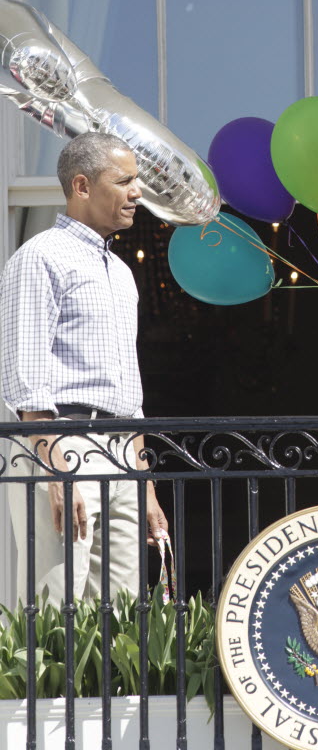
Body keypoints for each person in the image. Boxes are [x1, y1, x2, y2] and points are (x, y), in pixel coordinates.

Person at [0, 132, 168, 605]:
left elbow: (129, 392)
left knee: (123, 612)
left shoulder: (121, 272)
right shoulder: (39, 257)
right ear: (82, 186)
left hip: (121, 452)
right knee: (57, 606)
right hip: (60, 443)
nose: (137, 191)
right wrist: (54, 469)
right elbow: (25, 378)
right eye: (125, 181)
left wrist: (145, 484)